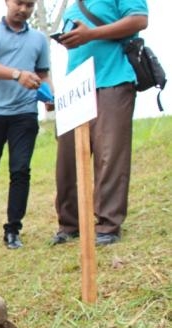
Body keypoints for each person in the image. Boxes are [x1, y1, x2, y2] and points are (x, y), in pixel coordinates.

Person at [52, 0, 148, 247]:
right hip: (76, 87)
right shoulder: (72, 7)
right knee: (67, 159)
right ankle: (70, 223)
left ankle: (107, 224)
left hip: (113, 80)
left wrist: (91, 34)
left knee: (110, 155)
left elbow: (139, 19)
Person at [0, 0, 53, 255]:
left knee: (20, 171)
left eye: (30, 4)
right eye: (19, 2)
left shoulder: (38, 39)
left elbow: (43, 73)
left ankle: (13, 230)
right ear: (7, 2)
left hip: (25, 113)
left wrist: (49, 96)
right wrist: (18, 74)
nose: (23, 9)